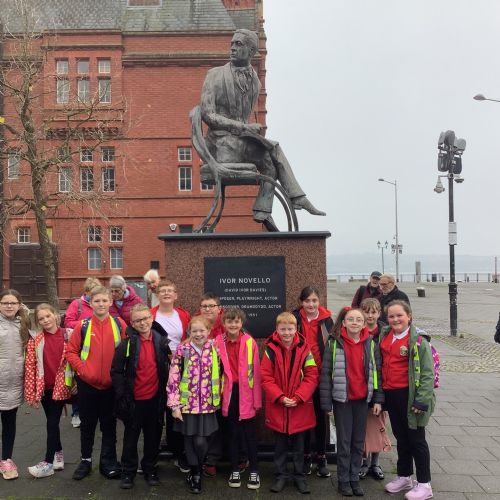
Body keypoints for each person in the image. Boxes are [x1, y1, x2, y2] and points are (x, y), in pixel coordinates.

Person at [200, 29, 325, 231]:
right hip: (220, 145)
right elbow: (207, 114)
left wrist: (251, 131)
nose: (232, 48)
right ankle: (297, 197)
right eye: (232, 43)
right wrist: (242, 126)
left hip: (241, 143)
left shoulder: (255, 83)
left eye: (238, 44)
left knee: (269, 164)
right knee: (273, 149)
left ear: (251, 51)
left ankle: (263, 212)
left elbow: (243, 117)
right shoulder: (214, 75)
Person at [320, 307, 383, 497]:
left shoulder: (371, 343)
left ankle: (354, 478)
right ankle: (343, 480)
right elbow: (326, 374)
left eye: (358, 320)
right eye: (351, 319)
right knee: (344, 443)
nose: (355, 322)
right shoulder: (334, 343)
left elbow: (377, 372)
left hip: (362, 400)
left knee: (358, 442)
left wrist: (378, 399)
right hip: (342, 400)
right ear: (344, 323)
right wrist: (326, 403)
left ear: (364, 324)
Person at [65, 286, 127, 481]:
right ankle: (85, 461)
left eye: (104, 300)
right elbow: (71, 351)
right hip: (87, 385)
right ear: (90, 303)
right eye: (97, 301)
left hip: (110, 386)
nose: (101, 304)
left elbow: (128, 350)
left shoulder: (119, 324)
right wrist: (82, 370)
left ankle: (108, 462)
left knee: (109, 426)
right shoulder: (82, 326)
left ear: (110, 302)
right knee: (87, 425)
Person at [379, 301, 435, 500]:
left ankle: (424, 484)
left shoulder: (419, 341)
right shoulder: (385, 335)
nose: (395, 319)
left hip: (410, 397)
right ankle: (404, 476)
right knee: (401, 438)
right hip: (391, 395)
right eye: (391, 316)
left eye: (399, 315)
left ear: (409, 316)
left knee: (416, 440)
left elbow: (428, 373)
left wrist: (421, 401)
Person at [111, 304, 170, 490]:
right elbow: (116, 371)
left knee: (153, 438)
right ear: (132, 323)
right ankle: (128, 471)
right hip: (134, 401)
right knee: (130, 439)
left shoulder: (161, 342)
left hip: (155, 399)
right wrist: (122, 395)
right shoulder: (126, 344)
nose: (142, 323)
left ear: (151, 318)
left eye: (145, 318)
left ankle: (149, 468)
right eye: (137, 320)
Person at [261, 312, 318, 494]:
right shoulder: (270, 349)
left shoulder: (305, 349)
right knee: (280, 446)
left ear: (296, 329)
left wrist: (299, 397)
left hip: (299, 406)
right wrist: (279, 397)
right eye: (283, 329)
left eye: (290, 329)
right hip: (279, 406)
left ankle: (300, 476)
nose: (286, 333)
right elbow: (265, 377)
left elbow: (311, 375)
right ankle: (281, 475)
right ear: (277, 329)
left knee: (300, 447)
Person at [167, 316, 222, 494]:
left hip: (207, 404)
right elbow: (174, 377)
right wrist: (174, 405)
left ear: (209, 331)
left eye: (202, 330)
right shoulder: (183, 350)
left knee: (201, 441)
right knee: (190, 439)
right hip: (187, 405)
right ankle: (195, 473)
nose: (198, 334)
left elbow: (223, 374)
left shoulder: (215, 349)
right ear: (189, 332)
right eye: (194, 331)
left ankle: (199, 465)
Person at [215, 308, 261, 489]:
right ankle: (234, 469)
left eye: (236, 321)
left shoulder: (250, 342)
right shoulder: (217, 342)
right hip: (228, 392)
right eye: (229, 321)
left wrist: (257, 400)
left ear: (242, 323)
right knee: (232, 433)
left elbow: (256, 372)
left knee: (249, 434)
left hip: (246, 392)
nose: (233, 325)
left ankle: (254, 470)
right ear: (224, 323)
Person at [25, 304, 73, 478]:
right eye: (41, 319)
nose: (45, 320)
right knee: (52, 422)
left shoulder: (69, 335)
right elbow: (30, 366)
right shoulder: (36, 340)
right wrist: (31, 393)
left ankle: (48, 463)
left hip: (64, 386)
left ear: (55, 315)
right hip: (46, 388)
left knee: (52, 423)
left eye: (48, 316)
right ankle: (58, 452)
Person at [292, 285, 333, 478]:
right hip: (301, 376)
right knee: (304, 417)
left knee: (320, 417)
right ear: (301, 302)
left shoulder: (326, 320)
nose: (311, 304)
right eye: (307, 301)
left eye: (314, 300)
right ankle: (306, 456)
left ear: (319, 301)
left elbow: (332, 346)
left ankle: (321, 456)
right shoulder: (295, 318)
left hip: (321, 375)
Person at [151, 279, 191, 472]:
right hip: (157, 366)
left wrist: (179, 353)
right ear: (157, 295)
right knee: (156, 409)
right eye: (163, 290)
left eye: (170, 291)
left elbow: (189, 337)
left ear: (175, 295)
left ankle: (178, 453)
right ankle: (152, 453)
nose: (166, 293)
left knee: (176, 409)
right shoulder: (151, 315)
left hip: (180, 366)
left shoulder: (183, 315)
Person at [0, 289, 31, 480]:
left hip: (13, 383)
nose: (9, 306)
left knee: (9, 424)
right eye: (5, 303)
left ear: (19, 305)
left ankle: (6, 460)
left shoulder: (25, 323)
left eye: (13, 303)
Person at [63, 277, 101, 428]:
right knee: (80, 380)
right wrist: (85, 324)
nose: (95, 296)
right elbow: (68, 321)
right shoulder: (77, 304)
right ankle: (77, 413)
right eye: (92, 293)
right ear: (86, 292)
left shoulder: (100, 303)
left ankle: (95, 411)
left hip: (97, 346)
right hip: (80, 347)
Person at [359, 298, 390, 481]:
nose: (370, 316)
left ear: (379, 313)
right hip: (362, 385)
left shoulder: (385, 332)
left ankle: (375, 463)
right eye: (366, 312)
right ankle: (364, 461)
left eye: (373, 312)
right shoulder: (357, 329)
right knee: (363, 427)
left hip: (381, 384)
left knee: (378, 425)